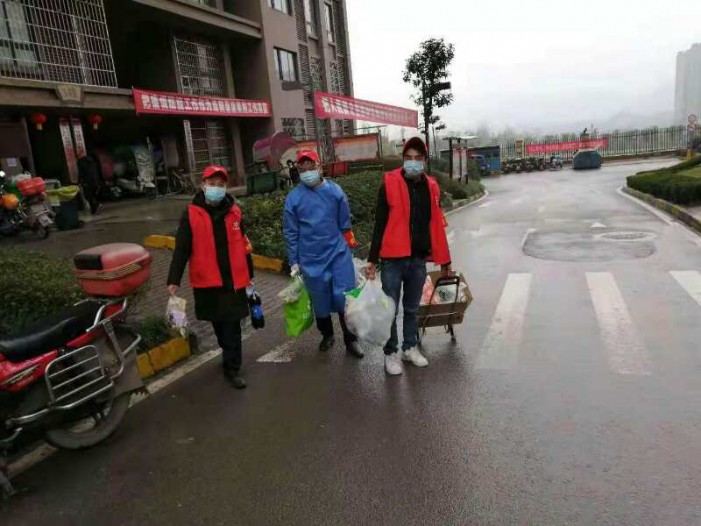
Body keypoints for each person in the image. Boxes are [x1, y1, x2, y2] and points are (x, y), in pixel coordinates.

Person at [367, 137, 452, 376]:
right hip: (392, 259)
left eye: (417, 158)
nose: (413, 162)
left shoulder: (431, 187)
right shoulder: (389, 184)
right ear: (403, 159)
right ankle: (390, 352)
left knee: (412, 308)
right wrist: (372, 259)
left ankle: (409, 347)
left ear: (424, 160)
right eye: (408, 158)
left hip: (417, 259)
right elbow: (380, 224)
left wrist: (445, 260)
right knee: (390, 309)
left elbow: (436, 225)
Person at [167, 165, 254, 389]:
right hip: (208, 280)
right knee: (218, 323)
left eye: (221, 184)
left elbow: (244, 244)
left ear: (226, 187)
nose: (217, 188)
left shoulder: (235, 211)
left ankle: (233, 368)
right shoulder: (191, 214)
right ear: (203, 185)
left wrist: (250, 274)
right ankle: (227, 350)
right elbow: (182, 249)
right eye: (212, 184)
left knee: (232, 325)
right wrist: (173, 279)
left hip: (233, 280)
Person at [283, 150, 363, 358]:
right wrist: (294, 260)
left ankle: (351, 339)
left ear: (319, 167)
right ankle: (327, 334)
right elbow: (291, 232)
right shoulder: (294, 199)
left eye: (311, 167)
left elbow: (345, 224)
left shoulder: (335, 192)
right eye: (302, 169)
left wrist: (350, 248)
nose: (307, 172)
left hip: (338, 254)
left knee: (344, 296)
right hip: (311, 258)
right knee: (320, 299)